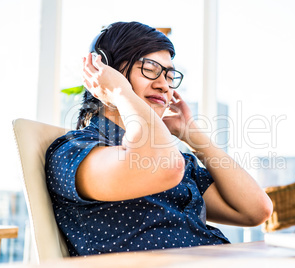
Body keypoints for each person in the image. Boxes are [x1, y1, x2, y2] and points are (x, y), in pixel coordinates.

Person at [45, 21, 272, 256]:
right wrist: (119, 92)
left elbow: (256, 210)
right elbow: (165, 166)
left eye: (170, 76)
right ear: (105, 71)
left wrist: (191, 133)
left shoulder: (174, 159)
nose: (164, 85)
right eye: (150, 70)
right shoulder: (73, 151)